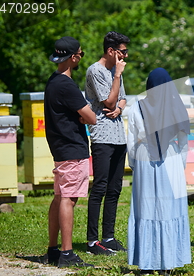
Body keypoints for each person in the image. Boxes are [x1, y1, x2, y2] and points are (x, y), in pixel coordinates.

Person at [127, 68, 192, 274]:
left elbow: (131, 141)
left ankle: (147, 262)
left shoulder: (137, 107)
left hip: (145, 159)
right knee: (169, 210)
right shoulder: (176, 106)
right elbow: (183, 141)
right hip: (170, 159)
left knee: (146, 209)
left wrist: (135, 165)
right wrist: (179, 165)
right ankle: (168, 262)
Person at [44, 36, 96, 268]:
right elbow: (91, 117)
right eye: (81, 54)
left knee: (59, 197)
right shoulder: (67, 85)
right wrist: (83, 114)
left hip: (59, 148)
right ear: (74, 57)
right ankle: (67, 253)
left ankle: (53, 250)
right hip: (72, 148)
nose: (80, 58)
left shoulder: (52, 81)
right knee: (69, 199)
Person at [85, 31, 130, 255]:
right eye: (123, 52)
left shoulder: (115, 71)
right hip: (102, 136)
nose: (126, 56)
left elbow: (122, 100)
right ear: (111, 51)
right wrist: (117, 78)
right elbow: (109, 100)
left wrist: (120, 108)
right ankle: (93, 241)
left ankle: (109, 237)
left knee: (115, 189)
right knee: (100, 188)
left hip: (119, 137)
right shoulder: (96, 70)